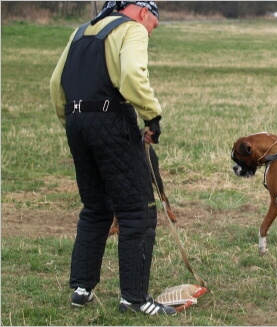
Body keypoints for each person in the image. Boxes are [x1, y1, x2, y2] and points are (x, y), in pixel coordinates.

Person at [50, 1, 176, 316]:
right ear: (144, 12)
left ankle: (81, 288)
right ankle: (134, 299)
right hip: (110, 120)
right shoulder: (131, 28)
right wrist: (152, 117)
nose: (151, 31)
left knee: (96, 207)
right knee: (138, 212)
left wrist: (75, 125)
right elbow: (132, 75)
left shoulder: (80, 32)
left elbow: (56, 84)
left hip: (76, 123)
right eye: (154, 25)